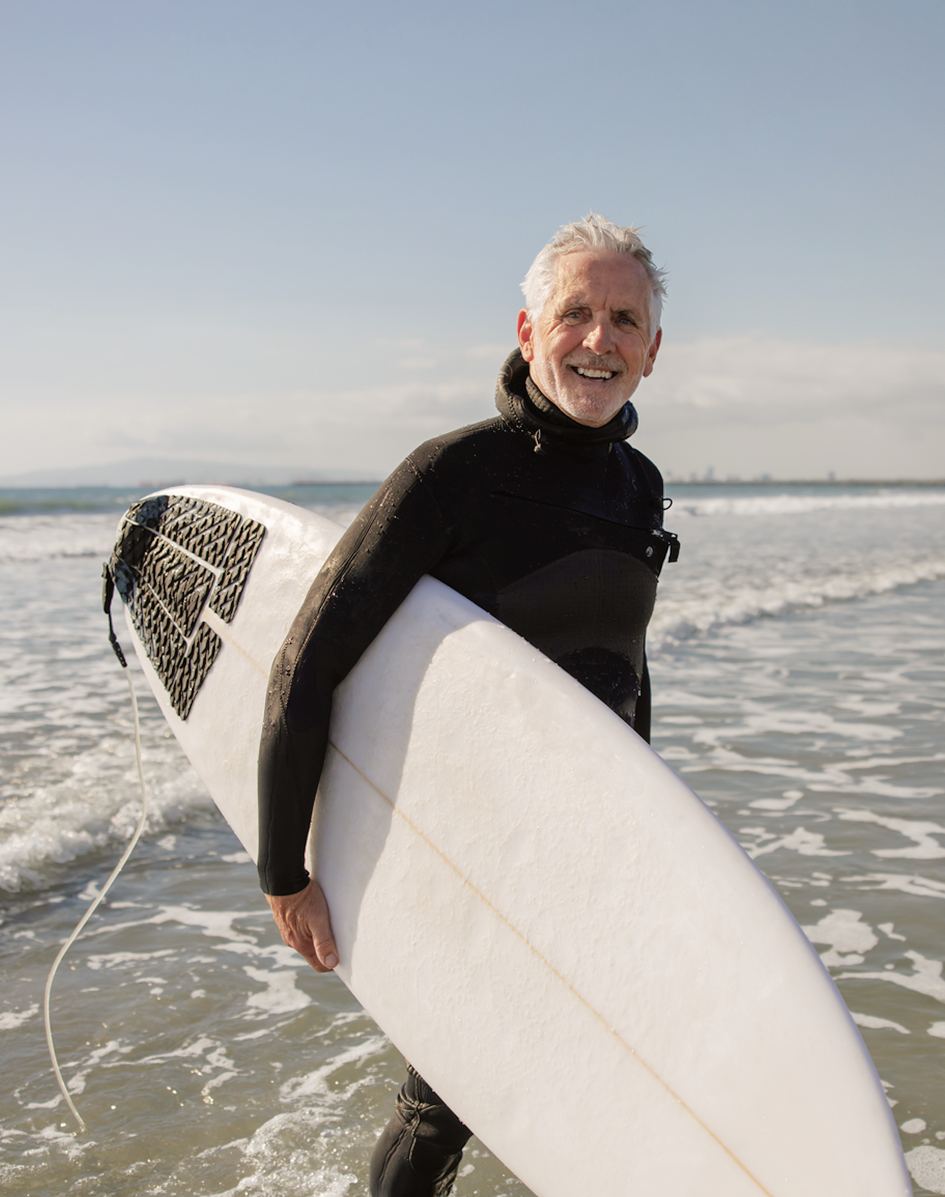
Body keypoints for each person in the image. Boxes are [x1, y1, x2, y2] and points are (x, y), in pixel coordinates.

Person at [256, 214, 678, 1197]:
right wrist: (286, 870)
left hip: (586, 849)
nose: (600, 339)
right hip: (467, 848)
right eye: (575, 312)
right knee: (446, 1100)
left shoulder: (638, 484)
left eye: (625, 319)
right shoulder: (452, 477)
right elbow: (305, 665)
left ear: (652, 352)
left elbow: (624, 664)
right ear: (529, 332)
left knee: (563, 1083)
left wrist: (650, 826)